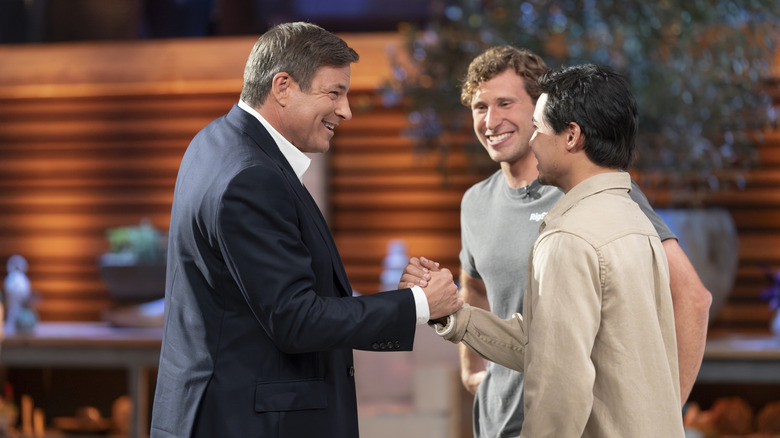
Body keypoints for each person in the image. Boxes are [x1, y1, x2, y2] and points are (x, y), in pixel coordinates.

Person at [149, 22, 462, 438]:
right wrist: (419, 305)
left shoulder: (213, 142)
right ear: (282, 87)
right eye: (334, 93)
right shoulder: (252, 177)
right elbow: (296, 320)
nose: (346, 110)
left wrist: (405, 299)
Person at [402, 46, 711, 437]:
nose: (532, 140)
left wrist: (662, 411)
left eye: (536, 124)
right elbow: (543, 340)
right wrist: (457, 325)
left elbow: (561, 384)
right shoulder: (623, 215)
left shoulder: (572, 231)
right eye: (481, 107)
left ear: (569, 134)